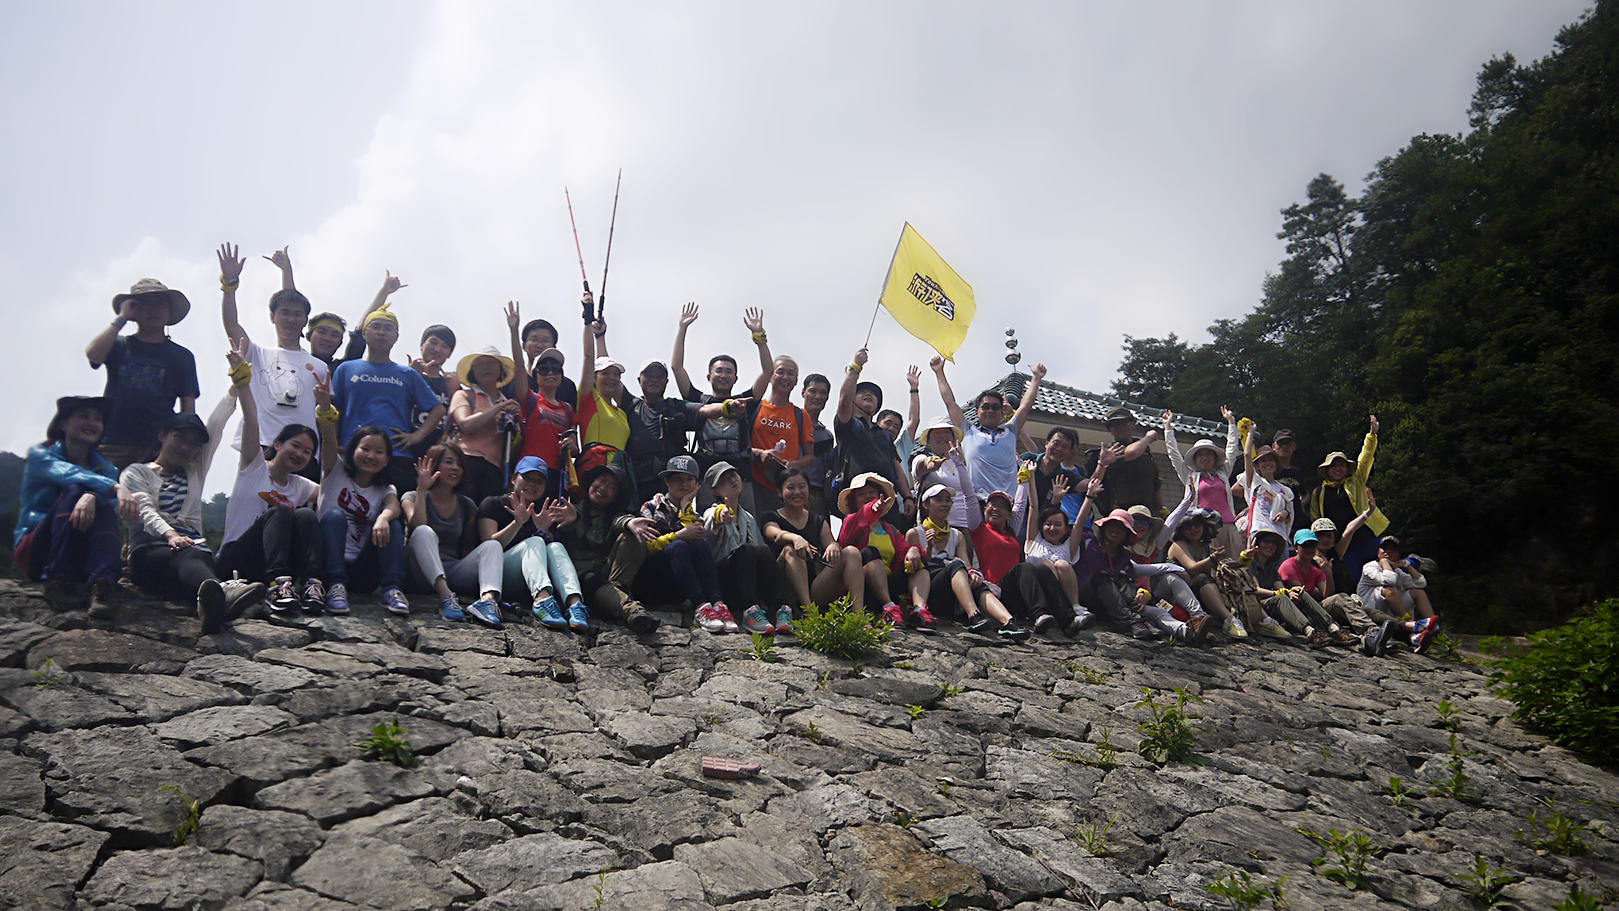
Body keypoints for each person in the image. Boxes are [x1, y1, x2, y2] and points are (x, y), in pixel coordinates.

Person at [123, 391, 265, 634]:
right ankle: (224, 593)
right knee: (188, 556)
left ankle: (212, 605)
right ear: (163, 435)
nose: (186, 447)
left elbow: (215, 427)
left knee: (199, 558)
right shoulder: (137, 472)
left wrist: (233, 390)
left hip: (193, 552)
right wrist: (170, 536)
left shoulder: (194, 470)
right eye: (179, 438)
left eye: (193, 443)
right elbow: (145, 511)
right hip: (150, 550)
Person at [216, 353, 323, 619]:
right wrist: (243, 384)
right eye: (295, 445)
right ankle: (278, 585)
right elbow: (253, 422)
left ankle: (312, 585)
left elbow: (335, 491)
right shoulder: (254, 468)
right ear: (277, 445)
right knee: (280, 511)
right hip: (236, 561)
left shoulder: (300, 484)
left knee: (307, 514)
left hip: (274, 563)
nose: (300, 454)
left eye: (307, 452)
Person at [14, 395, 138, 617]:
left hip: (81, 551)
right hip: (36, 550)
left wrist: (94, 496)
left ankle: (102, 585)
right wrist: (115, 488)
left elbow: (106, 500)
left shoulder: (106, 468)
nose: (91, 423)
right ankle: (59, 581)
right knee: (74, 490)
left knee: (101, 504)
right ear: (63, 424)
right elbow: (68, 474)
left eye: (97, 419)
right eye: (83, 416)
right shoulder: (40, 457)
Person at [218, 243, 327, 482]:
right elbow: (231, 325)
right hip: (260, 443)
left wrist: (287, 271)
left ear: (305, 320)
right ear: (272, 317)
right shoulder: (257, 354)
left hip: (304, 452)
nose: (290, 319)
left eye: (297, 315)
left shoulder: (318, 367)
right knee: (254, 513)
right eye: (284, 313)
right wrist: (229, 286)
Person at [329, 303, 446, 494]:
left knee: (393, 515)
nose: (381, 332)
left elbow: (438, 409)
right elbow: (335, 410)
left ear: (396, 337)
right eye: (375, 327)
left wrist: (417, 436)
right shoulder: (346, 369)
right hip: (352, 452)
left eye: (388, 328)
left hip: (396, 454)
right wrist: (333, 443)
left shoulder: (406, 374)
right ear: (365, 333)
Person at [84, 278, 200, 470]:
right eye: (145, 305)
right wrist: (121, 318)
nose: (153, 310)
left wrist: (184, 445)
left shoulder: (182, 357)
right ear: (133, 311)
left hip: (157, 448)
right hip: (112, 441)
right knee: (103, 495)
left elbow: (188, 410)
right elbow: (93, 355)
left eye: (160, 304)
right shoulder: (119, 345)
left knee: (149, 499)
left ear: (169, 311)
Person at [671, 304, 773, 505]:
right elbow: (676, 367)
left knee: (745, 530)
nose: (723, 375)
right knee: (709, 531)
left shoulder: (745, 402)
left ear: (735, 378)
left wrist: (759, 337)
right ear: (709, 376)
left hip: (741, 477)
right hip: (708, 478)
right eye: (719, 371)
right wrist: (682, 328)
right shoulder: (698, 402)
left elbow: (768, 371)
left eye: (728, 371)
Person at [477, 457, 587, 631]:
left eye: (539, 481)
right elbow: (488, 546)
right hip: (493, 576)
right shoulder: (494, 503)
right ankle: (542, 600)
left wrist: (543, 530)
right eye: (527, 477)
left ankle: (575, 605)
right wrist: (518, 523)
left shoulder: (541, 515)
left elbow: (550, 558)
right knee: (535, 542)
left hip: (527, 581)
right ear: (514, 478)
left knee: (555, 546)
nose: (532, 484)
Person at [908, 484, 1029, 640]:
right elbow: (915, 568)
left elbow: (967, 563)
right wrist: (928, 548)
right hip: (930, 591)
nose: (945, 504)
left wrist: (974, 574)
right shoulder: (915, 533)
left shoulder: (956, 535)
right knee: (956, 566)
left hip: (952, 592)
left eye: (948, 500)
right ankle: (974, 614)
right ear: (926, 505)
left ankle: (1008, 621)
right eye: (939, 500)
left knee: (976, 582)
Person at [403, 442, 505, 625]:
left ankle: (487, 601)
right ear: (434, 465)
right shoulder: (411, 496)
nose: (455, 468)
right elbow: (417, 527)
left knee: (492, 545)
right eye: (449, 462)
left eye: (459, 464)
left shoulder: (466, 505)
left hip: (452, 571)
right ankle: (446, 597)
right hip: (419, 572)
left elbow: (467, 546)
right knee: (424, 532)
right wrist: (422, 489)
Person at [314, 421, 408, 618]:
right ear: (353, 450)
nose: (371, 456)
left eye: (379, 452)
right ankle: (334, 587)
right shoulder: (334, 469)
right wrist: (324, 407)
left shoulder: (385, 488)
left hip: (361, 572)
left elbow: (394, 506)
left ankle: (391, 589)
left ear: (387, 459)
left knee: (393, 524)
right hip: (327, 563)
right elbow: (329, 439)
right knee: (334, 516)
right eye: (365, 449)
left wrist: (383, 517)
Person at [551, 464, 659, 633]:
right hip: (580, 578)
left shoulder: (613, 515)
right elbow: (563, 529)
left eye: (612, 487)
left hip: (607, 575)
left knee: (635, 535)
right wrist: (571, 522)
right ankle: (630, 610)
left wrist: (630, 522)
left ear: (616, 496)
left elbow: (620, 520)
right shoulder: (572, 510)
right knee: (591, 580)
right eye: (601, 481)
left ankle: (612, 599)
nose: (603, 488)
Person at [930, 355, 1046, 499]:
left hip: (1009, 505)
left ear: (1001, 411)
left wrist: (1036, 379)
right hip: (978, 504)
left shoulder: (1011, 430)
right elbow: (950, 403)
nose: (990, 410)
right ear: (976, 412)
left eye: (995, 407)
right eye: (986, 407)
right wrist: (939, 372)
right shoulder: (967, 431)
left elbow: (1025, 405)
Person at [763, 467, 862, 629]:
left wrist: (833, 546)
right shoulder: (770, 517)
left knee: (851, 552)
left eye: (802, 487)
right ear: (780, 492)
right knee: (790, 550)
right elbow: (775, 535)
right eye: (790, 487)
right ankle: (809, 614)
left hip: (813, 588)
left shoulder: (817, 520)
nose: (797, 492)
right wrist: (796, 538)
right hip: (781, 587)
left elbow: (830, 542)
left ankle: (859, 616)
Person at [636, 455, 727, 622]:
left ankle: (718, 604)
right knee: (679, 546)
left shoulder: (693, 514)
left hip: (681, 584)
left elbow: (699, 541)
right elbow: (646, 549)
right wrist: (679, 535)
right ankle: (700, 606)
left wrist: (686, 504)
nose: (684, 484)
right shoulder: (650, 507)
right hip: (654, 580)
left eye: (689, 480)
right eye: (677, 479)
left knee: (699, 546)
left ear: (696, 485)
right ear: (667, 482)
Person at [700, 462, 788, 635]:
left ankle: (780, 608)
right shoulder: (711, 512)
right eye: (724, 480)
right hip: (724, 581)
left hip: (746, 579)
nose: (732, 480)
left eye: (734, 475)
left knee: (762, 551)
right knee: (746, 551)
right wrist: (722, 515)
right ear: (715, 491)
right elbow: (713, 521)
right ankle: (750, 611)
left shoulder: (747, 517)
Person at [969, 489, 1071, 633]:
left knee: (1043, 569)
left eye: (1002, 507)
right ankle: (1039, 614)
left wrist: (1025, 474)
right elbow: (968, 496)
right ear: (984, 509)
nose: (996, 509)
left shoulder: (1012, 533)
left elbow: (1022, 504)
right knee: (1024, 567)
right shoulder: (979, 529)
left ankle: (1067, 618)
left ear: (1010, 515)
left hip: (1016, 594)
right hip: (994, 592)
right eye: (992, 505)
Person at [835, 472, 929, 627]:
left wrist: (914, 549)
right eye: (861, 494)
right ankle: (888, 607)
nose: (867, 496)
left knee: (920, 567)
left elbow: (904, 550)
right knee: (870, 553)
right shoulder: (851, 522)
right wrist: (873, 507)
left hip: (889, 582)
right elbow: (862, 518)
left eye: (871, 493)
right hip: (864, 588)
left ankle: (919, 611)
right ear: (853, 501)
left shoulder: (890, 530)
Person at [833, 348, 913, 518]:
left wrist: (907, 497)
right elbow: (843, 401)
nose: (869, 394)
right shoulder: (849, 425)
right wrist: (856, 367)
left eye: (874, 394)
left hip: (887, 500)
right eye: (862, 392)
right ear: (853, 399)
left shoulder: (883, 434)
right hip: (857, 499)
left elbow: (897, 468)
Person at [1248, 529, 1354, 648]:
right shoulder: (1250, 565)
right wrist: (1280, 593)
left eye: (1273, 543)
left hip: (1278, 604)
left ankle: (1334, 628)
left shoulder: (1272, 568)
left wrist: (1291, 593)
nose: (1270, 545)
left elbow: (1281, 588)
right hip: (1257, 607)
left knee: (1299, 592)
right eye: (1266, 542)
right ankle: (1311, 632)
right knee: (1282, 598)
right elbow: (1255, 589)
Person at [1310, 415, 1389, 573]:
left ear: (1347, 468)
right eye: (1333, 466)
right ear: (1327, 470)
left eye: (1341, 465)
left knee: (1385, 570)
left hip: (1366, 534)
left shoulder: (1356, 480)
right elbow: (1316, 518)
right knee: (1355, 577)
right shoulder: (1319, 492)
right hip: (1342, 542)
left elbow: (1365, 458)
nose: (1338, 469)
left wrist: (1371, 436)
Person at [1164, 407, 1244, 556]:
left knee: (1235, 566)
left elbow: (1232, 450)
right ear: (1195, 459)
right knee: (1212, 568)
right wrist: (1168, 427)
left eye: (1208, 454)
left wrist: (1231, 422)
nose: (1204, 457)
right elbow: (1174, 455)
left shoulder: (1223, 473)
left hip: (1228, 527)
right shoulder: (1190, 476)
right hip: (1203, 530)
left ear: (1214, 458)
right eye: (1200, 454)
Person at [449, 343, 523, 504]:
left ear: (500, 369)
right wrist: (499, 408)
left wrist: (518, 419)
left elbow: (514, 443)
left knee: (486, 517)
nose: (485, 368)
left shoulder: (508, 403)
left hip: (494, 469)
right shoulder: (464, 395)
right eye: (480, 364)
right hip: (466, 461)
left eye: (490, 363)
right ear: (473, 371)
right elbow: (465, 424)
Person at [626, 357, 705, 504]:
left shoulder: (676, 407)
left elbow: (705, 410)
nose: (654, 380)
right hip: (637, 484)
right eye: (649, 376)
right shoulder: (630, 404)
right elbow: (605, 373)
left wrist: (727, 408)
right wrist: (600, 337)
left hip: (672, 486)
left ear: (666, 381)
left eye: (659, 377)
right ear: (639, 379)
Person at [746, 355, 815, 513]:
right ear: (770, 376)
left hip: (786, 490)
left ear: (796, 381)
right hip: (755, 485)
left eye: (791, 374)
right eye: (780, 372)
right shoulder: (755, 408)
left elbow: (810, 457)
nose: (785, 377)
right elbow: (741, 446)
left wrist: (789, 465)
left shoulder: (801, 415)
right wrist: (760, 454)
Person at [1166, 507, 1249, 638]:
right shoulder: (1179, 544)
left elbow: (1221, 568)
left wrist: (1244, 559)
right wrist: (1212, 559)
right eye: (1188, 526)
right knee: (1202, 578)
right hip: (1178, 594)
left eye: (1197, 525)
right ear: (1182, 530)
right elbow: (1192, 567)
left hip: (1199, 595)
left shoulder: (1205, 547)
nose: (1193, 529)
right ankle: (1229, 619)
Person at [1358, 535, 1440, 653]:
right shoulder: (1370, 567)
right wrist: (1384, 562)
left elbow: (1421, 584)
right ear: (1378, 552)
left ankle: (1432, 627)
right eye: (1384, 549)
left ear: (1398, 554)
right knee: (1390, 589)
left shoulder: (1398, 571)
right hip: (1371, 612)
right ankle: (1410, 627)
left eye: (1393, 550)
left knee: (1417, 592)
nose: (1388, 552)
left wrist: (1408, 566)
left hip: (1389, 613)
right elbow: (1389, 581)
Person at [1278, 530, 1362, 646]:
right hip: (1297, 611)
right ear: (1296, 548)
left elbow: (1327, 595)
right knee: (1304, 594)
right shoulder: (1288, 566)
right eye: (1305, 545)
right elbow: (1301, 594)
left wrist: (1328, 573)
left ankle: (1375, 629)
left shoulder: (1316, 570)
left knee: (1341, 598)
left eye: (1312, 545)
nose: (1309, 549)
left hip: (1314, 609)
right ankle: (1335, 629)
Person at [1083, 406, 1162, 515]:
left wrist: (1162, 510)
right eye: (1113, 425)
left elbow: (1155, 484)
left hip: (1146, 515)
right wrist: (1148, 438)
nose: (1119, 427)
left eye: (1122, 423)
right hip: (1118, 517)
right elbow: (1131, 453)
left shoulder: (1146, 454)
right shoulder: (1107, 454)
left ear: (1133, 424)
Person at [1012, 428, 1086, 538]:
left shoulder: (1064, 476)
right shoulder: (1028, 459)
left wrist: (1102, 464)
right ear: (1047, 443)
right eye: (1056, 444)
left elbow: (1089, 485)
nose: (1059, 449)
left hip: (1039, 528)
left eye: (1065, 447)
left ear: (1070, 452)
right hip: (1013, 516)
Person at [910, 417, 979, 529]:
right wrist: (931, 464)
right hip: (935, 530)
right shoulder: (922, 457)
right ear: (929, 439)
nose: (942, 436)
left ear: (953, 437)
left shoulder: (962, 463)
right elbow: (922, 466)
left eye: (946, 432)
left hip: (969, 527)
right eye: (937, 432)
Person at [512, 311, 578, 409]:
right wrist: (513, 330)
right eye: (534, 339)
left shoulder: (567, 386)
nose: (539, 345)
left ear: (554, 347)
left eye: (545, 340)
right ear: (523, 345)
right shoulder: (512, 380)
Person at [1234, 442, 1294, 545]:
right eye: (1263, 461)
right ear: (1257, 466)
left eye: (1271, 460)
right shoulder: (1255, 482)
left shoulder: (1285, 490)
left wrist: (1285, 513)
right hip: (1259, 533)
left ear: (1276, 464)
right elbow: (1247, 455)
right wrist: (1250, 432)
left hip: (1280, 536)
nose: (1267, 463)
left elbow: (1290, 513)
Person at [799, 373, 838, 519]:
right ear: (803, 393)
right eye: (813, 391)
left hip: (819, 496)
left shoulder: (827, 435)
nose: (818, 396)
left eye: (823, 393)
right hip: (792, 489)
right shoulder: (792, 423)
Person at [1270, 429, 1311, 533]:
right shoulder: (1268, 471)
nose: (1284, 447)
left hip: (1298, 523)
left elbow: (1305, 493)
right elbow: (1238, 488)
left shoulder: (1296, 472)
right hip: (1276, 523)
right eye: (1280, 443)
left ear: (1294, 446)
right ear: (1273, 447)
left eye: (1288, 444)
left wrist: (1299, 504)